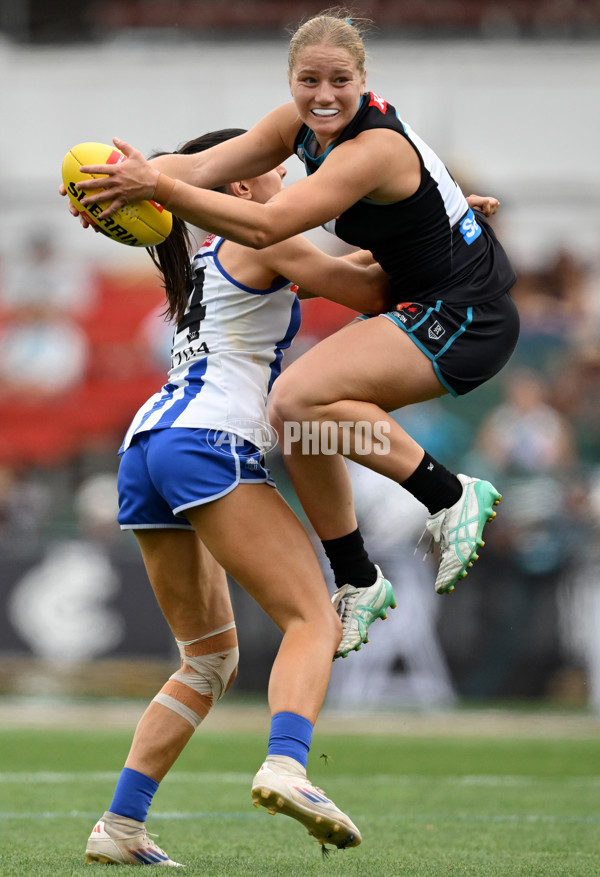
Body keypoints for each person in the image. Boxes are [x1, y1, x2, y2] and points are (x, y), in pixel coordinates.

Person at [70, 10, 518, 660]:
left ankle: (449, 495)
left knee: (296, 399)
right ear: (291, 82)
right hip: (424, 298)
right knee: (302, 423)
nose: (324, 94)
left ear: (364, 81)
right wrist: (104, 188)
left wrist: (155, 185)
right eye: (309, 80)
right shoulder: (295, 128)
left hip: (467, 314)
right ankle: (356, 574)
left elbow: (263, 224)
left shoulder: (372, 148)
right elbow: (203, 168)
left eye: (340, 80)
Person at [76, 127, 399, 867]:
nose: (286, 184)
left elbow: (330, 270)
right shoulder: (259, 237)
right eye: (275, 174)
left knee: (207, 659)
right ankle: (288, 764)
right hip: (209, 441)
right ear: (244, 187)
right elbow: (369, 291)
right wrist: (445, 246)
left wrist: (434, 235)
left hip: (147, 448)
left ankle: (120, 826)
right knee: (312, 615)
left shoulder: (205, 256)